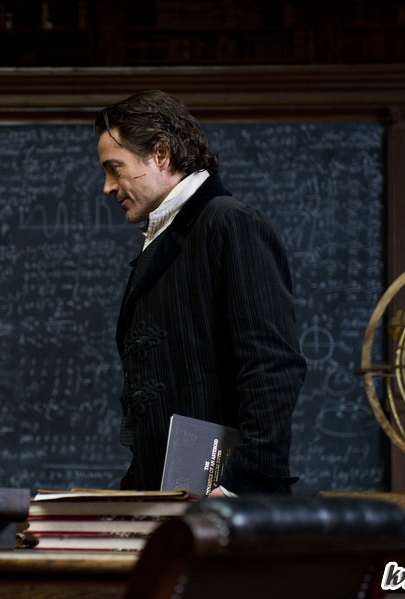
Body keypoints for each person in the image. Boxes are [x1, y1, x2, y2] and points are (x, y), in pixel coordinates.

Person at [95, 90, 306, 496]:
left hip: (225, 505)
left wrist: (244, 486)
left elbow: (272, 365)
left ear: (161, 154)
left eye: (114, 168)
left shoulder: (230, 223)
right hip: (168, 498)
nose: (107, 186)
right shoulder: (168, 236)